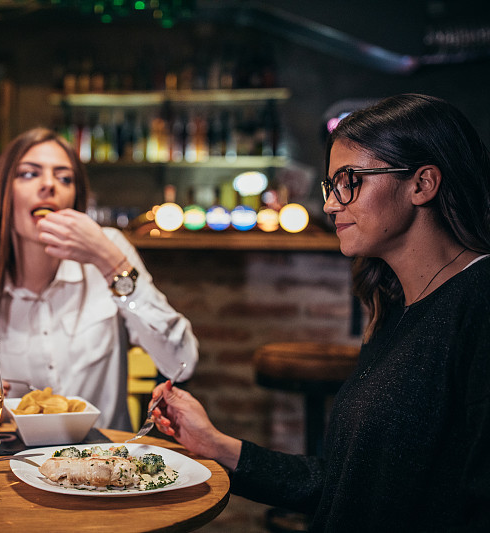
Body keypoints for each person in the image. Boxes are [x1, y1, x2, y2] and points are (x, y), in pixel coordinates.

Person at [151, 94, 490, 531]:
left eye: (350, 180)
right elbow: (344, 485)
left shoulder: (478, 303)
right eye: (332, 186)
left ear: (422, 184)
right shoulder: (395, 304)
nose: (330, 204)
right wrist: (215, 443)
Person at [0, 127, 198, 430]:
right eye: (29, 174)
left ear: (75, 199)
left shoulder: (109, 249)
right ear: (3, 193)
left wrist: (110, 262)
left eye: (64, 178)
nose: (49, 185)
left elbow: (182, 362)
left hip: (105, 459)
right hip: (10, 461)